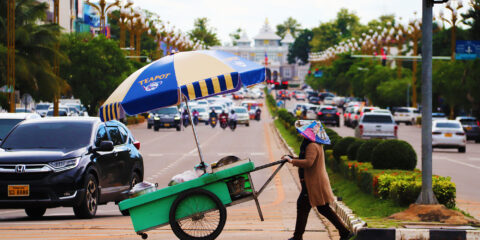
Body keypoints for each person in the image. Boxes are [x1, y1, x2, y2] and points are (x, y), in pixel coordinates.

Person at [282, 120, 352, 240]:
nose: (301, 133)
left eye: (303, 131)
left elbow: (309, 162)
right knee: (323, 208)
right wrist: (291, 158)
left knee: (304, 206)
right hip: (313, 183)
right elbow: (306, 159)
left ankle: (297, 237)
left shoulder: (311, 145)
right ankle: (345, 233)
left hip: (313, 184)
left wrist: (292, 161)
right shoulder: (311, 143)